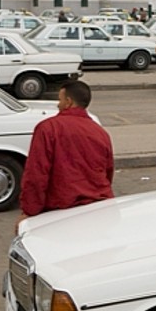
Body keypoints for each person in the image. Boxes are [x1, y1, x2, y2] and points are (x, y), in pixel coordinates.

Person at [16, 80, 114, 231]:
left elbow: (36, 173)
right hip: (100, 207)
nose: (58, 104)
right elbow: (108, 172)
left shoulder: (48, 128)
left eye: (60, 100)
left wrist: (29, 211)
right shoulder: (100, 132)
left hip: (62, 209)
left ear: (69, 102)